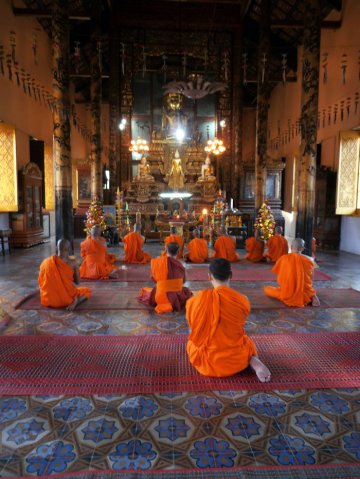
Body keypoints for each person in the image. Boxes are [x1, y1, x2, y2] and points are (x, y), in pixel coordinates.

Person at [186, 258, 271, 381]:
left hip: (208, 361)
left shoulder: (196, 301)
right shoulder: (242, 300)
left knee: (191, 342)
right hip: (236, 359)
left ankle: (250, 360)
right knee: (246, 342)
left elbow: (194, 331)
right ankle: (252, 359)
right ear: (231, 275)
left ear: (209, 276)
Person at [264, 238, 320, 307]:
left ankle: (307, 294)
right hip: (304, 291)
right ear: (302, 249)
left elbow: (280, 278)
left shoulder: (283, 259)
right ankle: (312, 295)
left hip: (288, 293)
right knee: (308, 290)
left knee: (267, 289)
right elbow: (311, 279)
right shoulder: (309, 260)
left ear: (291, 247)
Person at [139, 242, 193, 314]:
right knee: (187, 292)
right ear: (179, 251)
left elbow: (154, 278)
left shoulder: (157, 262)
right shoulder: (181, 265)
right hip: (176, 297)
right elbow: (183, 281)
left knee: (150, 291)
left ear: (166, 249)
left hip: (159, 295)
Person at [38, 239, 91, 311]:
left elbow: (41, 282)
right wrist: (77, 267)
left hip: (48, 300)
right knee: (87, 291)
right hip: (67, 299)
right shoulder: (73, 263)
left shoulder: (46, 262)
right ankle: (75, 302)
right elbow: (77, 282)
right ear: (69, 249)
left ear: (57, 248)